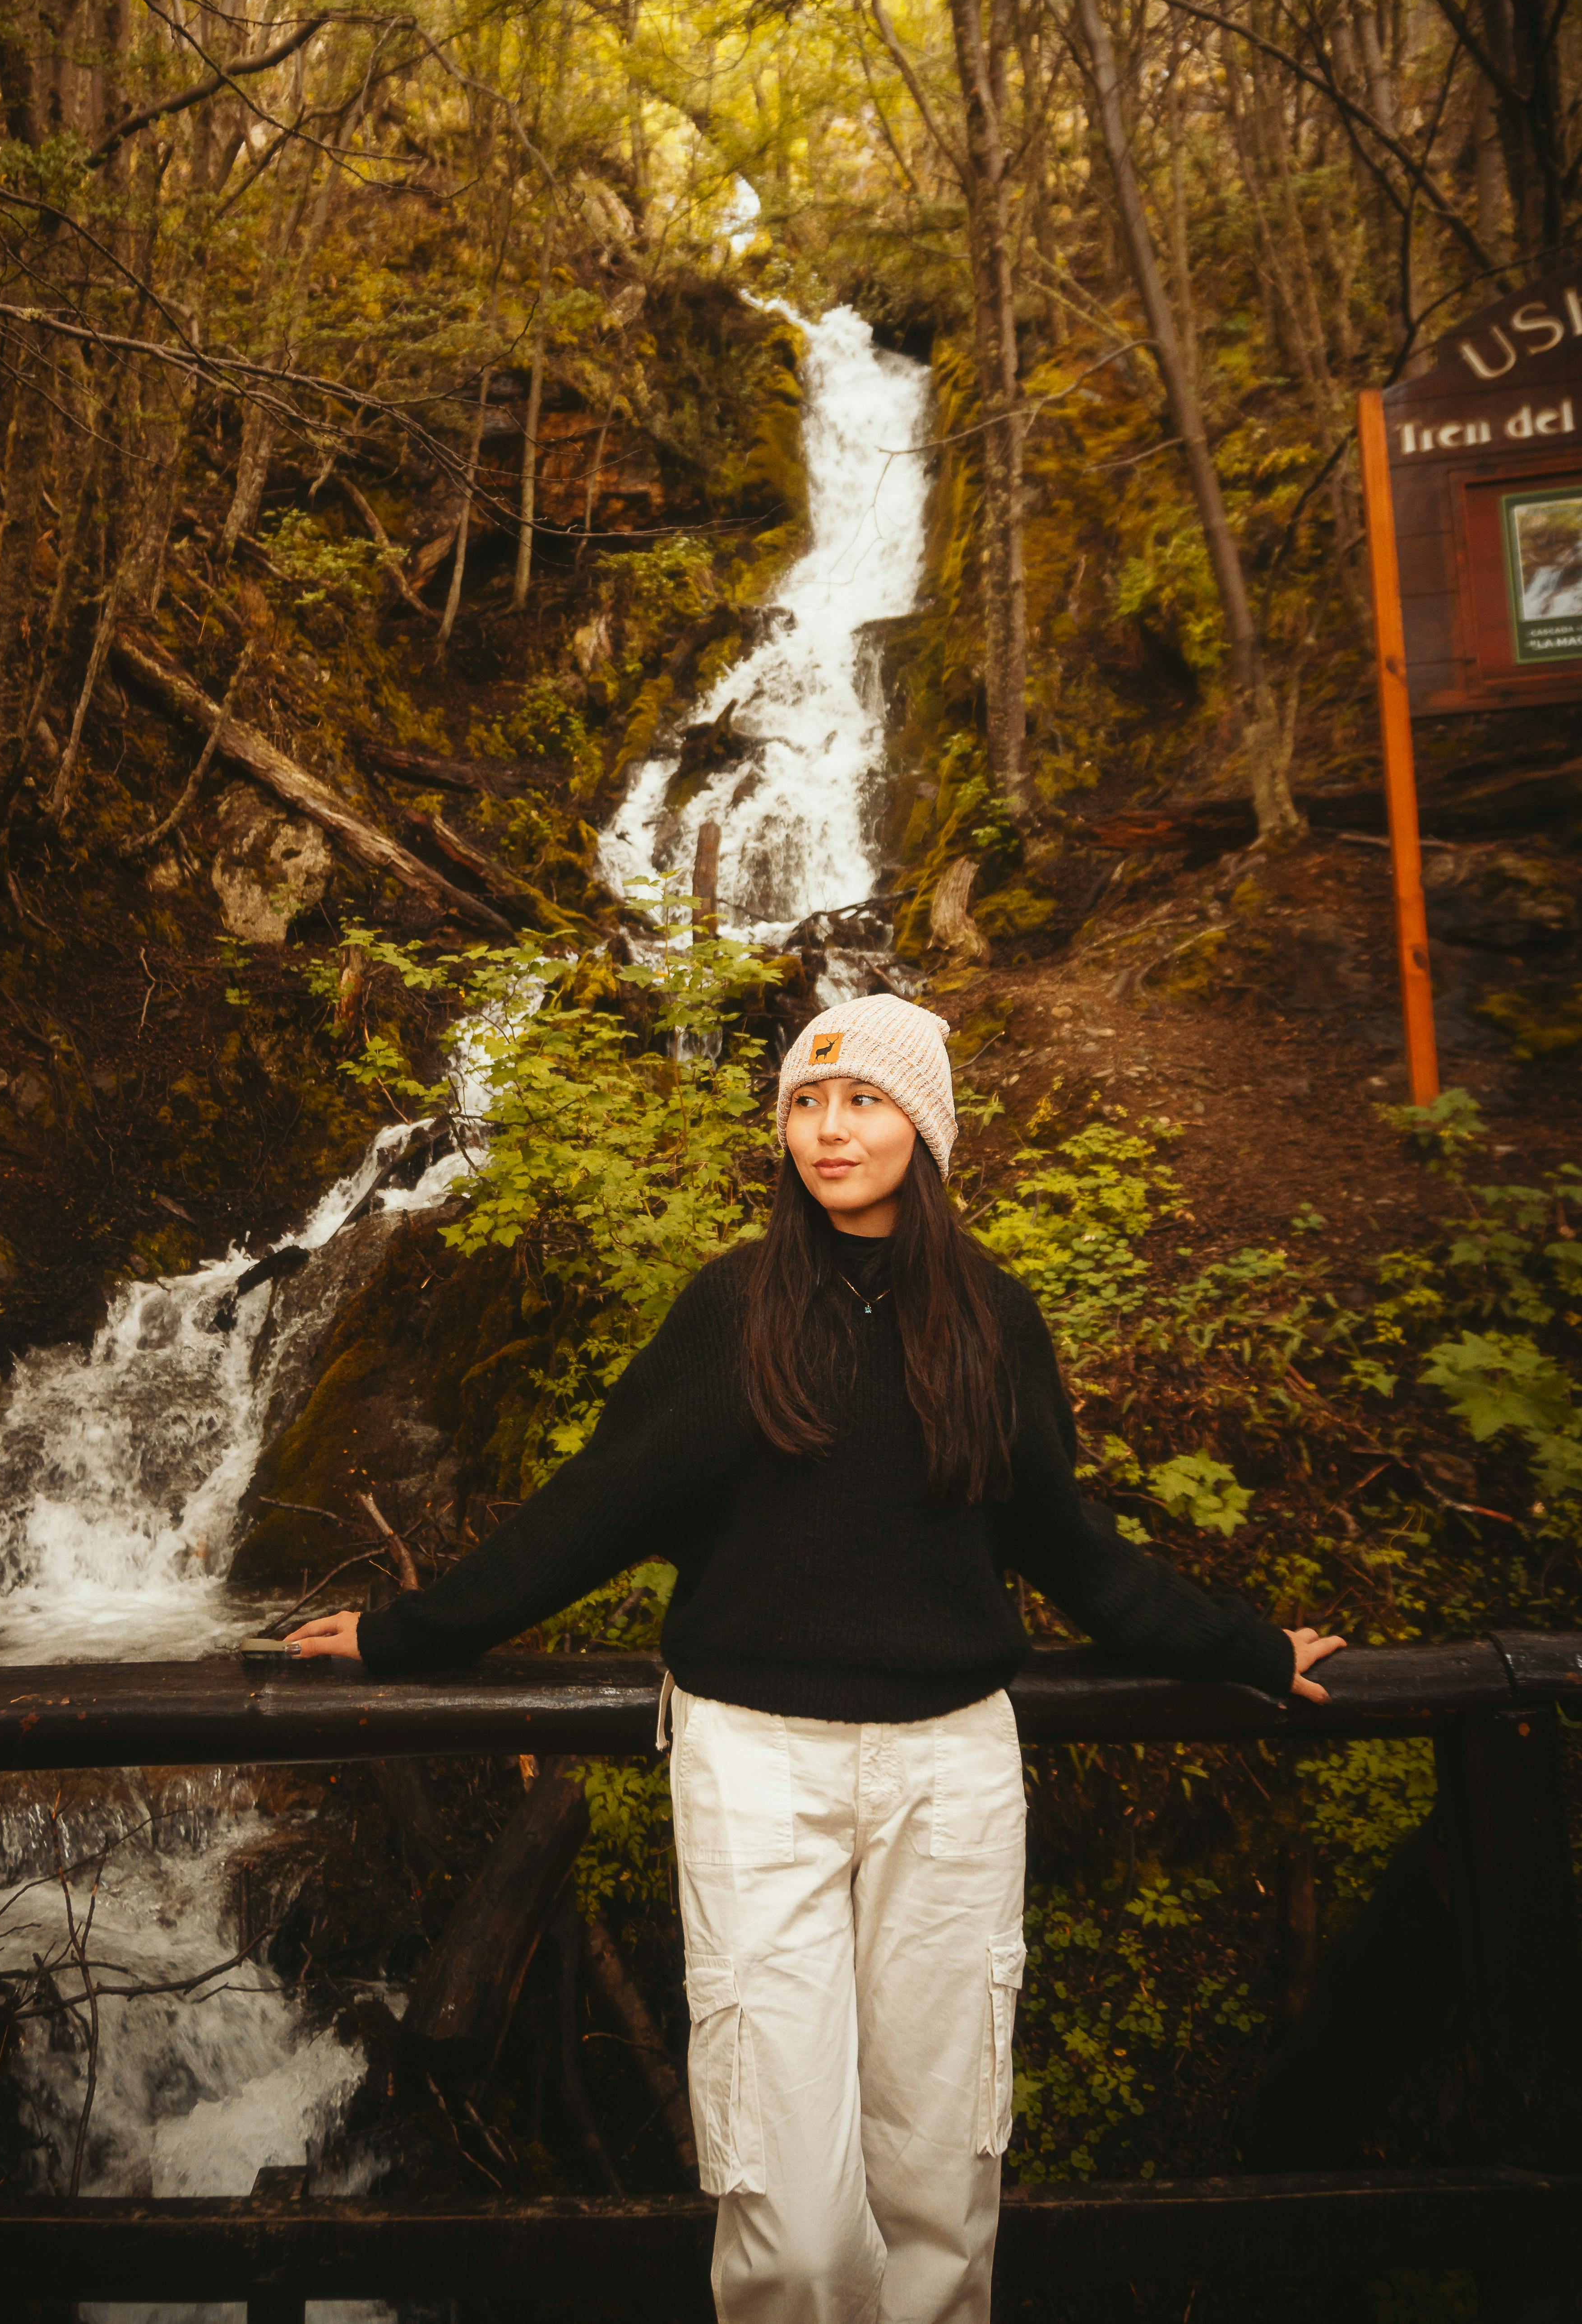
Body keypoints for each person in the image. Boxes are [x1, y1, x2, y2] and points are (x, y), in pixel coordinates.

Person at [289, 993, 1341, 2324]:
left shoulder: (992, 1321)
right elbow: (589, 1511)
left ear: (925, 1124)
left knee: (940, 2184)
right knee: (784, 2218)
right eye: (804, 1101)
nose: (828, 1129)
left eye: (863, 1101)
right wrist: (403, 1631)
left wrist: (1246, 1648)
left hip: (951, 1774)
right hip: (755, 1770)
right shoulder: (733, 1308)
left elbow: (1072, 1553)